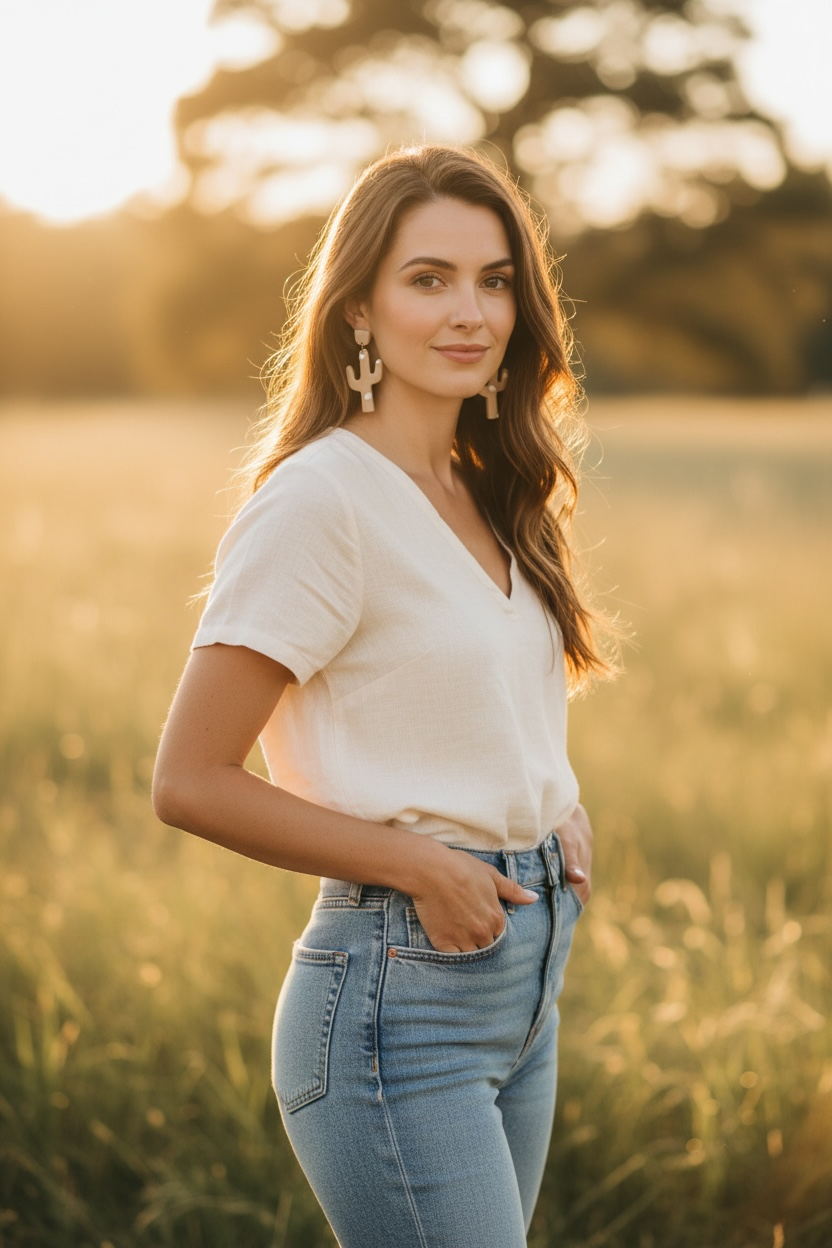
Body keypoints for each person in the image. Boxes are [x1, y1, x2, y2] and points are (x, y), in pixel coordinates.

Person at [152, 144, 611, 1248]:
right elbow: (188, 781)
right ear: (357, 304)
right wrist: (417, 861)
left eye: (494, 280)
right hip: (397, 1003)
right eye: (428, 278)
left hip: (522, 987)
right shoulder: (323, 500)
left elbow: (470, 699)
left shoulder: (488, 487)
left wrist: (550, 802)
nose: (470, 312)